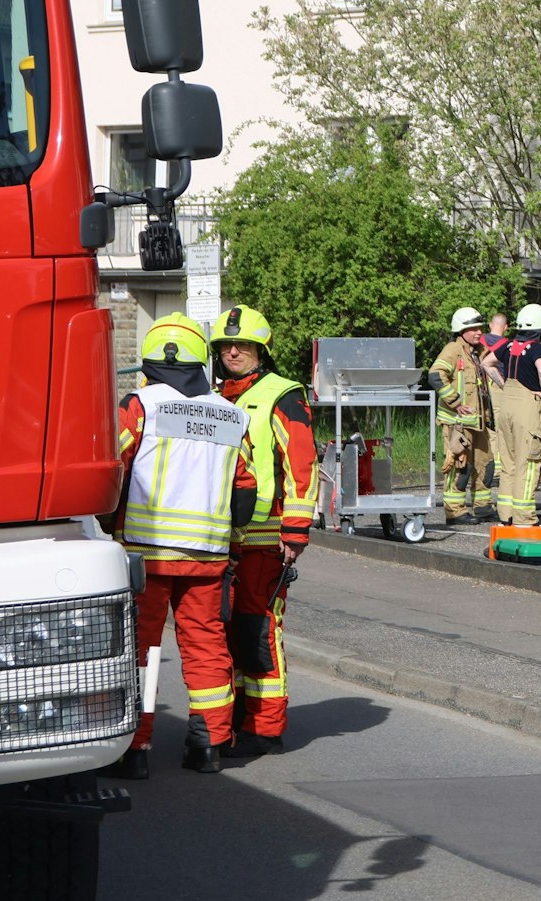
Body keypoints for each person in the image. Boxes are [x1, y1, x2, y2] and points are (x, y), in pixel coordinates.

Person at [103, 313, 249, 778]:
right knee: (207, 646)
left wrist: (105, 526)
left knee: (140, 651)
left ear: (152, 358)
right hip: (207, 554)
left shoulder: (139, 405)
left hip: (144, 555)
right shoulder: (231, 413)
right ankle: (208, 746)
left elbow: (113, 467)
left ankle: (134, 750)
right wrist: (233, 541)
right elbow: (244, 490)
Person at [211, 305, 319, 755]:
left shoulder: (283, 394)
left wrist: (295, 531)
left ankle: (265, 727)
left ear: (261, 350)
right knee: (226, 632)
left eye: (243, 345)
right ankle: (237, 717)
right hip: (221, 540)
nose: (233, 352)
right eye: (226, 346)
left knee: (258, 630)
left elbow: (301, 465)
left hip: (264, 538)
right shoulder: (214, 398)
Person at [487, 305, 541, 526]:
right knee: (528, 462)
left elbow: (487, 363)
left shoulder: (508, 345)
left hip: (507, 405)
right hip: (527, 407)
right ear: (540, 328)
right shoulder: (536, 349)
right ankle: (524, 517)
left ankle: (506, 514)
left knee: (509, 462)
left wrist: (503, 384)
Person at [430, 307, 495, 523]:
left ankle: (483, 507)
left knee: (485, 465)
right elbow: (435, 375)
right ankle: (455, 511)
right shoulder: (453, 350)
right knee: (459, 467)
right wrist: (455, 403)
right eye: (473, 328)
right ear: (461, 330)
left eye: (480, 328)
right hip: (457, 424)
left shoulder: (479, 351)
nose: (479, 332)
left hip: (479, 422)